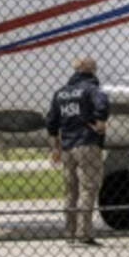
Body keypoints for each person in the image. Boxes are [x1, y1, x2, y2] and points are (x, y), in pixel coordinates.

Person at [47, 54, 109, 247]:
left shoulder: (62, 93)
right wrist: (100, 123)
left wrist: (55, 148)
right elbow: (103, 105)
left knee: (70, 191)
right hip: (87, 143)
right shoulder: (91, 88)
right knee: (87, 189)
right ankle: (84, 233)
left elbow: (51, 122)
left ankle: (70, 232)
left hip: (67, 146)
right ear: (91, 69)